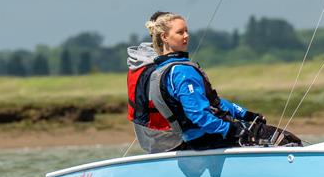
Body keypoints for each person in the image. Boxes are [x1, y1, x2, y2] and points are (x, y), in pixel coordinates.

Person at [128, 11, 300, 152]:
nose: (186, 36)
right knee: (286, 140)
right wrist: (232, 130)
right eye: (180, 32)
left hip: (201, 138)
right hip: (209, 138)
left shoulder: (161, 71)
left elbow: (213, 103)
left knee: (269, 134)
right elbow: (198, 114)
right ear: (164, 37)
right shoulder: (181, 71)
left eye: (187, 31)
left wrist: (245, 114)